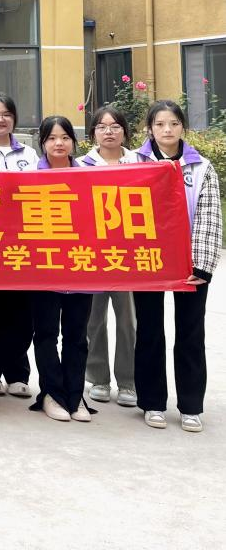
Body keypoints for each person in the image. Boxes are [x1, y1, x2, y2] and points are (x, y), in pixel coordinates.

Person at [133, 100, 219, 433]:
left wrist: (203, 265)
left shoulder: (201, 167)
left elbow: (209, 217)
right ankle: (152, 402)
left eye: (173, 123)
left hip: (189, 263)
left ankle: (191, 406)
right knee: (150, 331)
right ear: (149, 129)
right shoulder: (132, 163)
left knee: (191, 333)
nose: (167, 130)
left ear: (183, 127)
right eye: (159, 124)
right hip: (148, 262)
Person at [29, 116, 93, 423]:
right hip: (44, 269)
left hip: (81, 267)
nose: (59, 143)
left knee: (77, 336)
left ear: (73, 142)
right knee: (45, 334)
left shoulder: (89, 177)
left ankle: (76, 395)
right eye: (52, 138)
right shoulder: (30, 177)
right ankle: (52, 394)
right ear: (43, 143)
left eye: (65, 137)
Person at [80, 105, 140, 408]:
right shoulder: (81, 165)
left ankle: (128, 381)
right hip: (91, 253)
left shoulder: (140, 163)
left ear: (124, 132)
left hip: (128, 254)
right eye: (102, 127)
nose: (109, 132)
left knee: (128, 320)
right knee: (94, 320)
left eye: (115, 126)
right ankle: (99, 378)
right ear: (93, 133)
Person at [0, 94, 35, 400]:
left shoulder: (29, 153)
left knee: (20, 311)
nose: (0, 119)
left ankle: (17, 372)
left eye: (6, 114)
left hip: (22, 241)